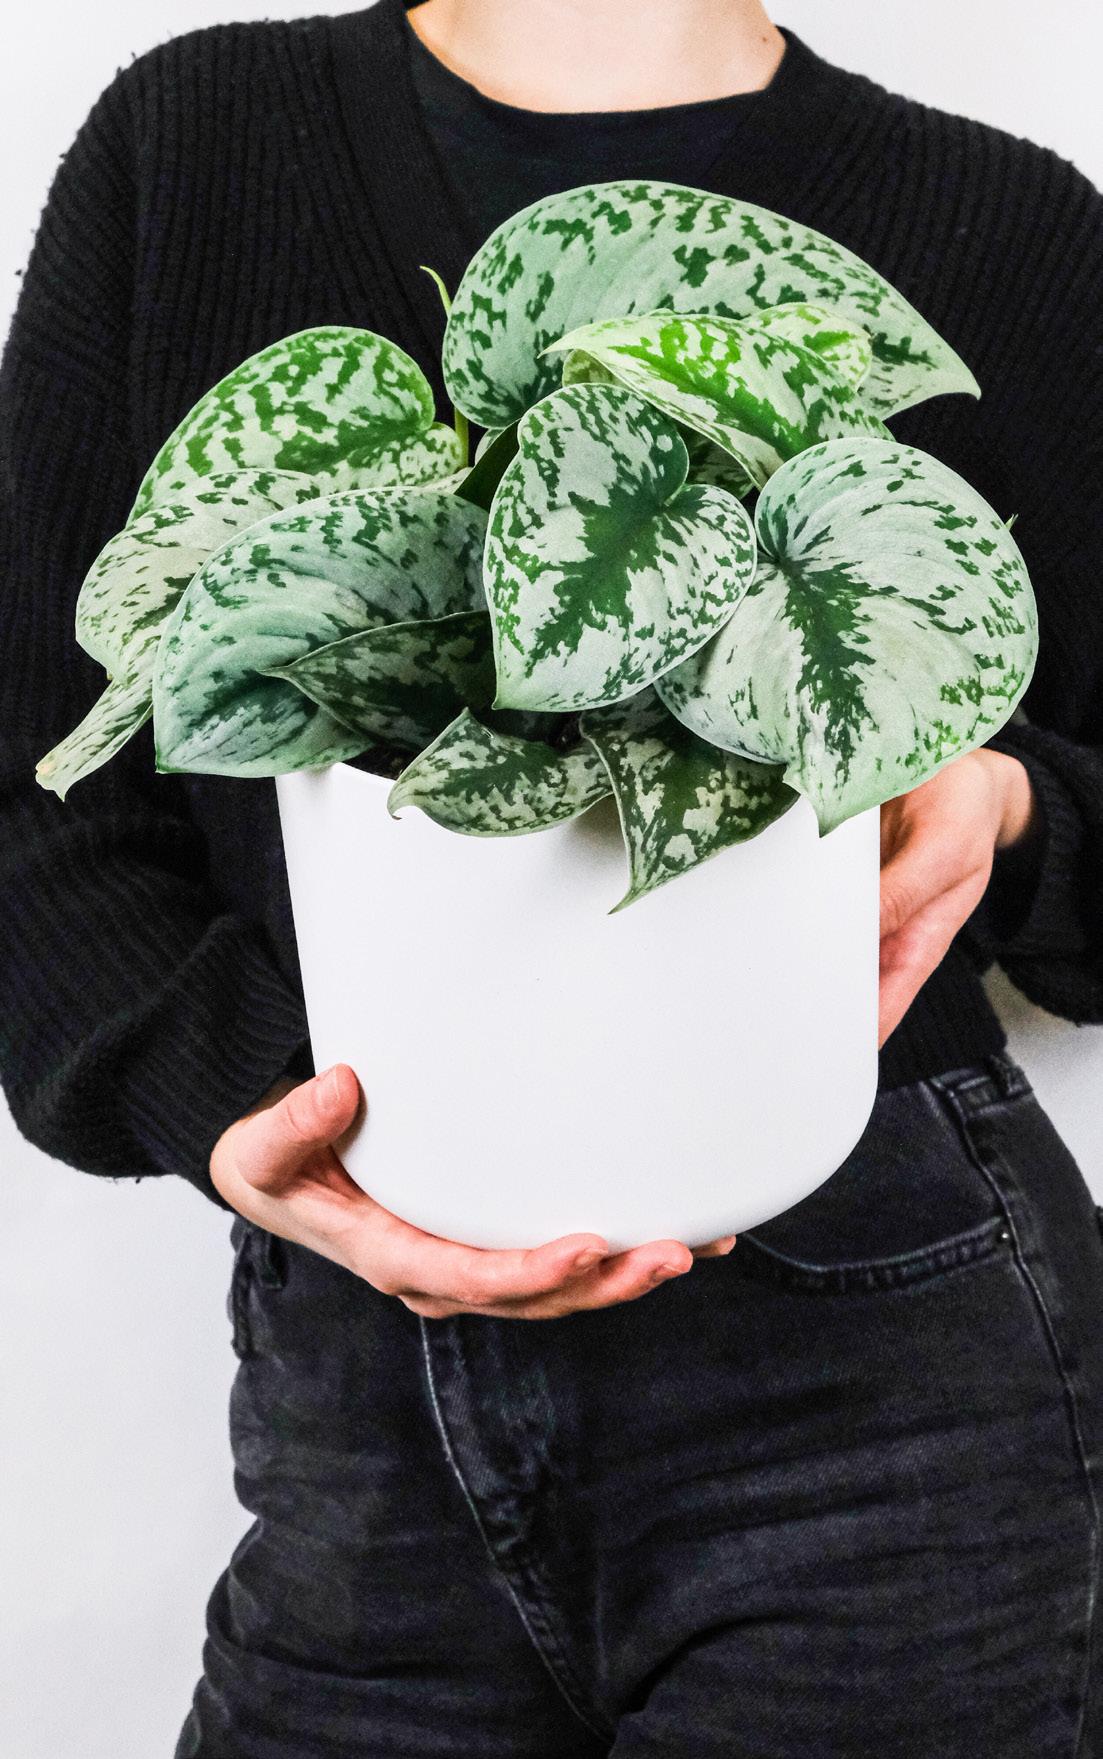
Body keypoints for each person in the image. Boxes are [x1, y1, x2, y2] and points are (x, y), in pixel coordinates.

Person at [2, 0, 1102, 1751]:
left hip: (885, 1358)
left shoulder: (1012, 223)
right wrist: (242, 1104)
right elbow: (43, 779)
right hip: (363, 1388)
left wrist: (1005, 797)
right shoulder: (195, 140)